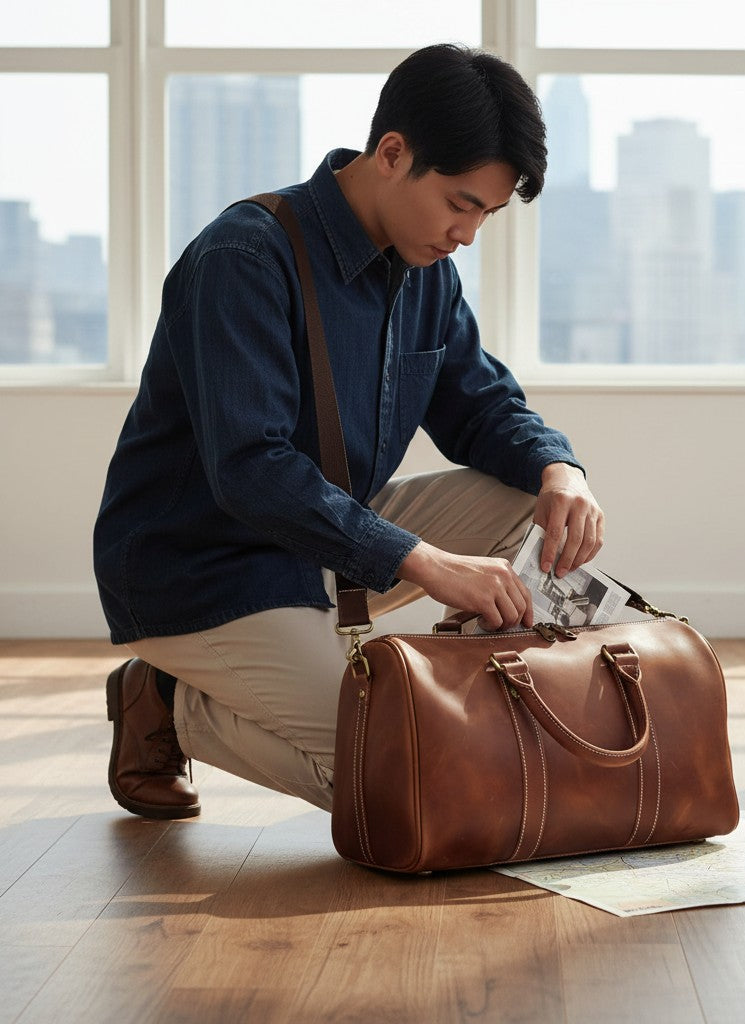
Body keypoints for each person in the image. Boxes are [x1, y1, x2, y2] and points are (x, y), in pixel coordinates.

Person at [94, 43, 604, 821]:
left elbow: (480, 405)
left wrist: (560, 469)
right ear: (392, 153)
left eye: (487, 216)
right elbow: (252, 469)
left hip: (327, 544)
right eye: (461, 203)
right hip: (204, 569)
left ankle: (457, 703)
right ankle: (166, 702)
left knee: (524, 497)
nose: (467, 234)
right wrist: (426, 562)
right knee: (408, 787)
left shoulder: (426, 269)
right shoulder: (244, 257)